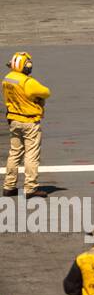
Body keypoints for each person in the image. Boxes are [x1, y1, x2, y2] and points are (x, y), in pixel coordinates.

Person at [3, 51, 50, 198]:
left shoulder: (7, 79)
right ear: (27, 66)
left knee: (14, 153)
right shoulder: (28, 82)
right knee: (31, 155)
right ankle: (30, 188)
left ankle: (9, 186)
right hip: (29, 122)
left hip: (14, 120)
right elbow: (46, 92)